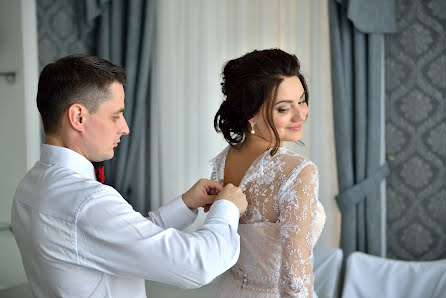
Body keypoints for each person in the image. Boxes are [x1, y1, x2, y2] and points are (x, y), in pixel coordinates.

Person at [11, 54, 247, 298]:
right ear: (78, 117)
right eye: (115, 115)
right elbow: (197, 265)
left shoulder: (30, 185)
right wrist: (226, 210)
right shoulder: (87, 202)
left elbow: (118, 241)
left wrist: (185, 204)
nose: (125, 127)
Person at [207, 49, 326, 297]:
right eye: (284, 109)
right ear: (251, 113)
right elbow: (295, 280)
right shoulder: (299, 171)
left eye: (302, 100)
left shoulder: (223, 160)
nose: (301, 114)